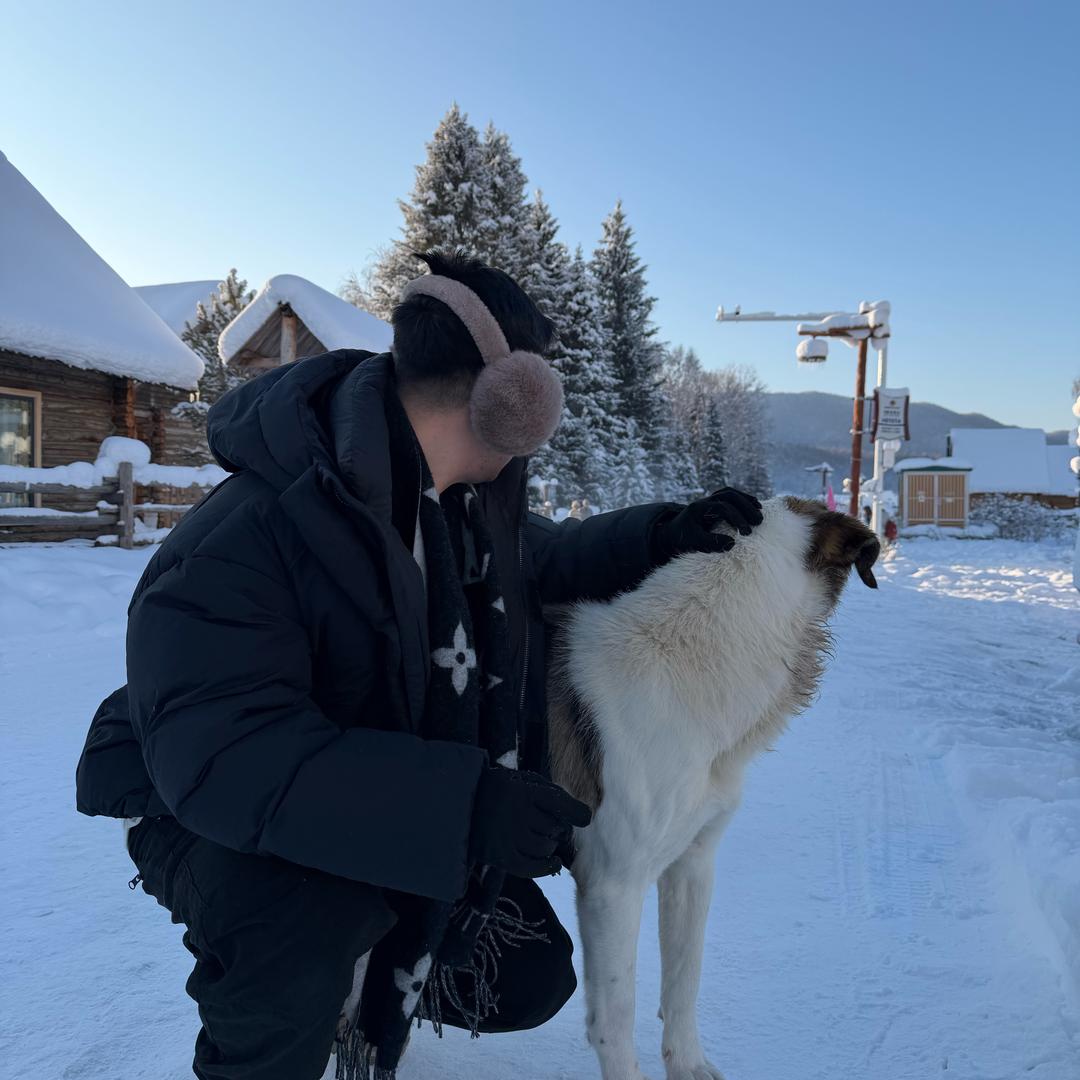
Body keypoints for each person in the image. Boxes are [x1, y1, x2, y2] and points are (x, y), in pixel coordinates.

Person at [75, 248, 763, 1080]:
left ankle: (363, 984)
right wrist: (462, 804)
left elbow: (544, 562)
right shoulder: (246, 539)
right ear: (513, 402)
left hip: (337, 776)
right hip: (197, 805)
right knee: (302, 933)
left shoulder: (450, 503)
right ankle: (283, 1023)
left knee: (524, 970)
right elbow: (229, 758)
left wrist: (661, 534)